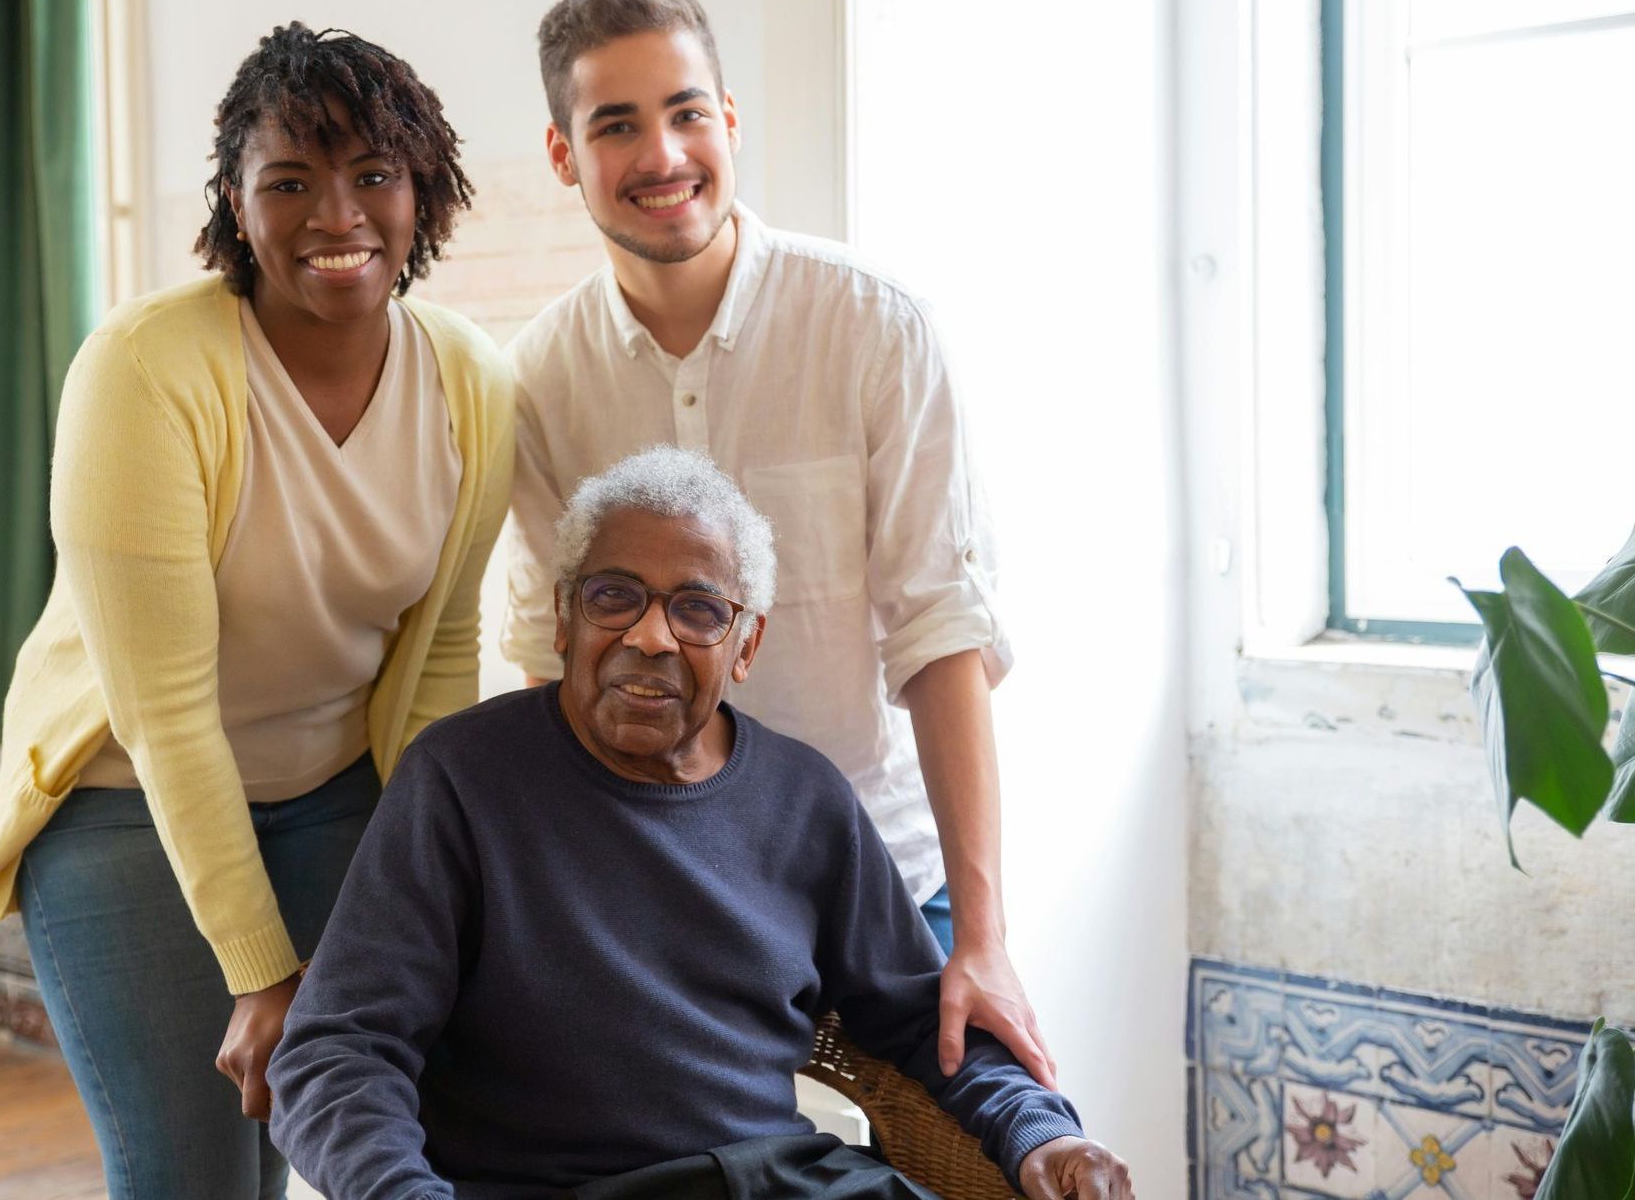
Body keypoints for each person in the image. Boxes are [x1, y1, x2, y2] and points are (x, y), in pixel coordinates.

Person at [0, 23, 514, 1199]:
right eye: (291, 180)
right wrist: (260, 967)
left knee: (358, 1134)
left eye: (374, 174)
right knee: (198, 1174)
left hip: (335, 792)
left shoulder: (472, 379)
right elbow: (162, 712)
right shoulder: (145, 369)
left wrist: (435, 880)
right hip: (123, 804)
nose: (338, 214)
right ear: (233, 198)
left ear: (425, 191)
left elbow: (445, 652)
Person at [270, 447, 1132, 1200]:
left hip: (783, 1178)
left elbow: (922, 1022)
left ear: (746, 645)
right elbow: (335, 1053)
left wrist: (1041, 1134)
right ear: (564, 619)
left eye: (697, 609)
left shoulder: (807, 800)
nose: (650, 636)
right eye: (615, 596)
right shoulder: (460, 779)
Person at [503, 0, 1052, 1086]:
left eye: (687, 110)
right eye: (616, 125)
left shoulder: (876, 328)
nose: (663, 154)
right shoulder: (534, 384)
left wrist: (984, 938)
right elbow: (545, 663)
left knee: (1001, 1137)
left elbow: (943, 633)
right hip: (646, 891)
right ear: (564, 156)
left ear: (729, 120)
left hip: (886, 882)